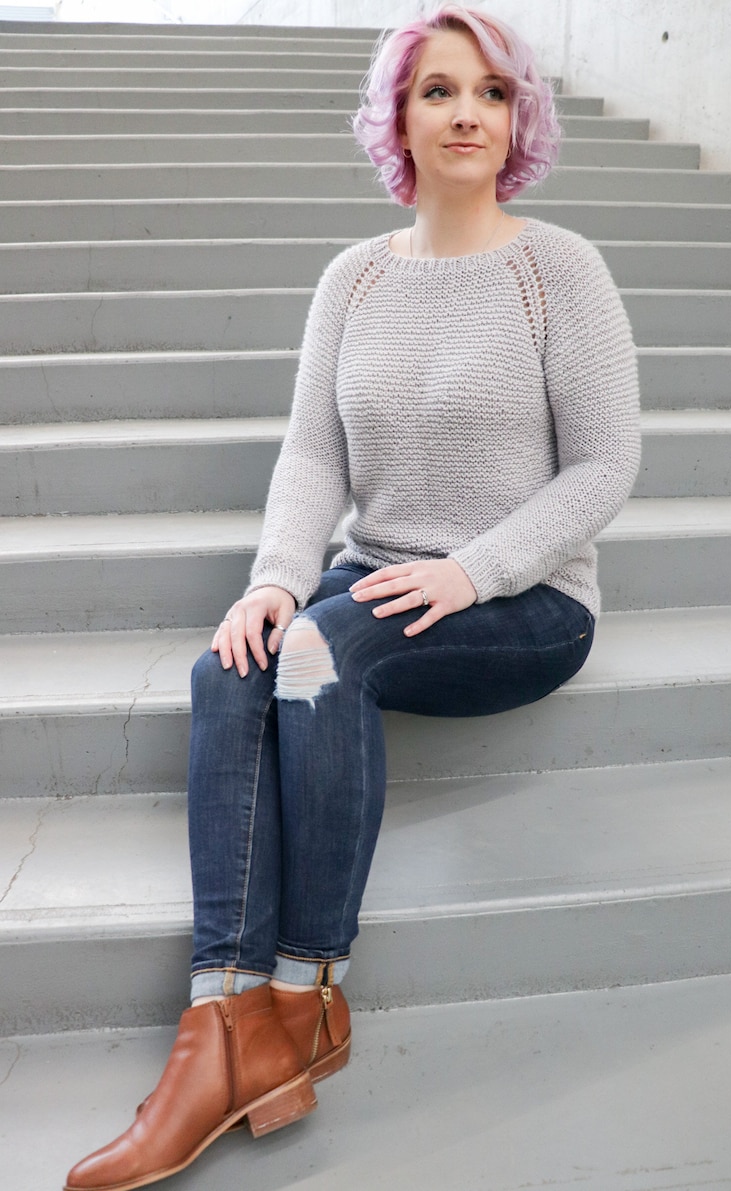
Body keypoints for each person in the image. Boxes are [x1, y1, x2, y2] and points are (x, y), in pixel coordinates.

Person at [65, 6, 640, 1189]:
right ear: (399, 117)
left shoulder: (559, 270)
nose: (465, 111)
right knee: (231, 663)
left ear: (517, 115)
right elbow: (310, 459)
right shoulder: (353, 279)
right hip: (367, 577)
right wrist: (273, 580)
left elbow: (604, 466)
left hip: (520, 599)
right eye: (437, 91)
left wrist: (470, 570)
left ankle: (304, 989)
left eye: (489, 91)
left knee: (325, 651)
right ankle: (221, 1024)